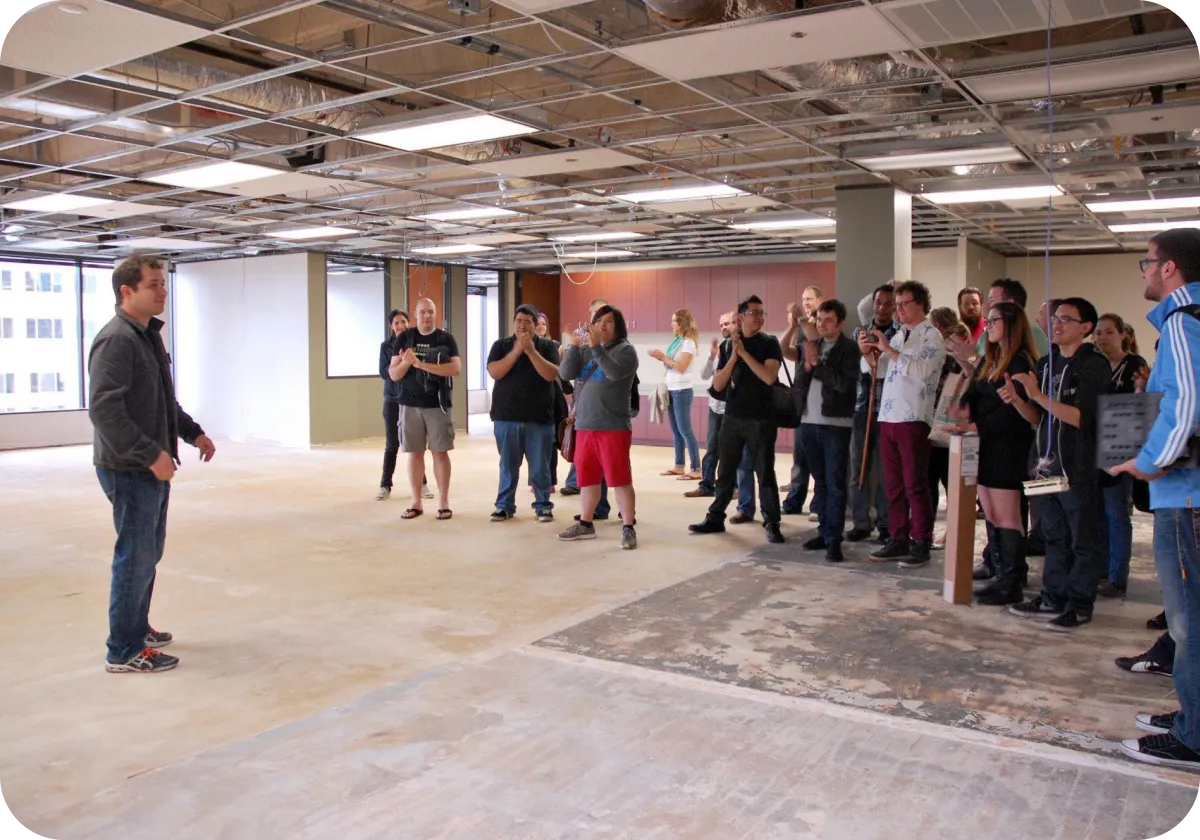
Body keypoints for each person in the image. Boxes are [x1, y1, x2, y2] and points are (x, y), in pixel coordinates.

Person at [89, 255, 216, 673]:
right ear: (127, 291)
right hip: (128, 467)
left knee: (148, 552)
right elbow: (106, 411)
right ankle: (123, 650)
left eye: (163, 283)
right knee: (134, 554)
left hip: (149, 465)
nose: (163, 291)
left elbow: (163, 400)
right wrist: (150, 455)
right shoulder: (117, 340)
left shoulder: (147, 337)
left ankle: (136, 627)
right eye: (154, 285)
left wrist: (192, 432)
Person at [1111, 228, 1200, 771]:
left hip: (1185, 496)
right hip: (1185, 494)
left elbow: (1187, 404)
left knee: (1188, 623)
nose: (1144, 272)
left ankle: (1194, 738)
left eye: (1146, 263)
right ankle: (1193, 715)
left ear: (1169, 269)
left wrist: (1150, 462)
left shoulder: (1183, 322)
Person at [1002, 298, 1109, 630]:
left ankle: (1079, 604)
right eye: (1055, 317)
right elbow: (1039, 418)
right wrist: (1020, 400)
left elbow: (1081, 418)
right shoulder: (1047, 364)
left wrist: (1035, 395)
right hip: (1045, 466)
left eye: (1066, 318)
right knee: (1052, 536)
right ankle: (1053, 596)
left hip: (1075, 467)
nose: (1056, 323)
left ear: (1086, 328)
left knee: (1082, 539)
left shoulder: (1093, 365)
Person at [953, 301, 1039, 605]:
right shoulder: (992, 359)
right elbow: (973, 393)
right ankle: (1001, 574)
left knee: (1008, 517)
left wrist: (974, 423)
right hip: (985, 445)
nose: (987, 326)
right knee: (990, 513)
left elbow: (1020, 414)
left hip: (1008, 447)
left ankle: (1011, 582)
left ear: (1011, 324)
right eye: (987, 321)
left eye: (993, 321)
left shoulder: (1019, 362)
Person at [689, 295, 786, 544]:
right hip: (732, 417)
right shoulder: (728, 346)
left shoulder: (769, 343)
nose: (759, 317)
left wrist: (745, 355)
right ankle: (715, 517)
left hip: (761, 419)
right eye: (754, 313)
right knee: (726, 471)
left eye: (762, 313)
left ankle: (772, 522)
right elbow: (719, 383)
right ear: (741, 317)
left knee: (764, 472)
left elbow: (768, 377)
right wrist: (734, 356)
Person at [862, 280, 945, 568]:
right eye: (896, 304)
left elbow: (922, 370)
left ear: (920, 303)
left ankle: (921, 540)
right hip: (888, 415)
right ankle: (898, 536)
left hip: (914, 417)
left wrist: (889, 350)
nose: (899, 309)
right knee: (893, 483)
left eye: (903, 304)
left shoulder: (931, 336)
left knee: (915, 483)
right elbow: (881, 370)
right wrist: (870, 353)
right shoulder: (898, 336)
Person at [557, 305, 639, 550]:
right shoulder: (584, 350)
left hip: (613, 427)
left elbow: (613, 373)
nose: (602, 325)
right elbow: (565, 373)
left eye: (609, 321)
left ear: (619, 326)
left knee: (620, 479)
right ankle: (586, 523)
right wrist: (573, 346)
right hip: (584, 425)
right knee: (587, 479)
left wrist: (596, 347)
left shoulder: (626, 351)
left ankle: (628, 527)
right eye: (598, 320)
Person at [794, 299, 859, 562]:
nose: (822, 325)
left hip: (835, 424)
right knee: (819, 481)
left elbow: (844, 385)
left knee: (835, 483)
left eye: (828, 320)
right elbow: (801, 379)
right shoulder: (814, 344)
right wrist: (807, 366)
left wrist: (817, 366)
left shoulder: (849, 348)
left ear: (841, 322)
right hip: (809, 422)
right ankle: (823, 532)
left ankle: (834, 540)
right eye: (818, 320)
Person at [487, 305, 562, 523]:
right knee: (508, 465)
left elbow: (551, 374)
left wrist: (530, 350)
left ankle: (543, 505)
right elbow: (495, 371)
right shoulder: (500, 346)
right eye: (519, 321)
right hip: (506, 417)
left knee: (540, 467)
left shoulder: (547, 346)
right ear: (513, 322)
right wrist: (517, 350)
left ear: (535, 324)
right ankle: (504, 506)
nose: (523, 325)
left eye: (528, 321)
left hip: (539, 418)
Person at [388, 297, 461, 521]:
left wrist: (421, 364)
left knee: (440, 453)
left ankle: (443, 502)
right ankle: (416, 502)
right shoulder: (404, 337)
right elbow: (393, 373)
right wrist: (408, 362)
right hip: (409, 404)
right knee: (415, 454)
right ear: (416, 314)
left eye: (431, 312)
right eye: (423, 312)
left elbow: (455, 369)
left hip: (437, 405)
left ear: (435, 313)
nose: (427, 316)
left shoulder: (445, 338)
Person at [1092, 313, 1149, 597]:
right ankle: (1102, 568)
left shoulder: (1135, 365)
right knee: (1098, 512)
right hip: (1094, 445)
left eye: (1109, 332)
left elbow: (1141, 406)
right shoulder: (1094, 364)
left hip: (1121, 446)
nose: (1103, 338)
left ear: (1122, 334)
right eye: (1099, 333)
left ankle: (1118, 576)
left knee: (1116, 512)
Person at [685, 312, 758, 517]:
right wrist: (711, 356)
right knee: (711, 448)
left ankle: (736, 492)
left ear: (738, 324)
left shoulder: (741, 348)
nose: (725, 327)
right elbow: (706, 376)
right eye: (722, 324)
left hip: (733, 410)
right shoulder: (721, 350)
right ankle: (707, 484)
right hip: (715, 407)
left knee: (734, 455)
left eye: (729, 323)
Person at [847, 284, 897, 543]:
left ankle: (886, 524)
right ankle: (861, 522)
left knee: (887, 471)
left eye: (889, 303)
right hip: (862, 409)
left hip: (888, 412)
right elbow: (858, 366)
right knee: (860, 468)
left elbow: (892, 368)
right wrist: (866, 356)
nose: (882, 308)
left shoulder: (900, 334)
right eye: (879, 302)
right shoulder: (861, 332)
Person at [560, 298, 613, 521]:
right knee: (588, 464)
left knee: (612, 466)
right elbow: (566, 373)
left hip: (608, 414)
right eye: (594, 314)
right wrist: (572, 346)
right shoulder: (581, 344)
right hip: (583, 412)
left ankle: (620, 509)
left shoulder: (616, 345)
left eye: (602, 315)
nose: (597, 319)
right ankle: (593, 510)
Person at [376, 310, 432, 502]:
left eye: (403, 322)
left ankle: (422, 485)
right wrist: (401, 360)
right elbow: (384, 373)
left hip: (412, 399)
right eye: (396, 323)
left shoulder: (417, 342)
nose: (400, 326)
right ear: (391, 326)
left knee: (417, 446)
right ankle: (385, 485)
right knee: (392, 444)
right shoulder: (386, 347)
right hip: (392, 400)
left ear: (409, 323)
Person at [927, 322, 971, 548]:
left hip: (956, 436)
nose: (953, 345)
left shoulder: (971, 365)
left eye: (958, 340)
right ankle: (927, 530)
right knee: (929, 484)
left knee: (954, 489)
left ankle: (951, 533)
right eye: (949, 340)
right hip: (933, 433)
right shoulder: (936, 361)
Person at [781, 286, 823, 515]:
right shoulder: (800, 327)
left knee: (818, 457)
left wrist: (801, 320)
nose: (806, 302)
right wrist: (793, 325)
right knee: (800, 456)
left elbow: (816, 341)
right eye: (803, 298)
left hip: (822, 402)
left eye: (810, 299)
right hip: (801, 400)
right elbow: (786, 350)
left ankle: (818, 503)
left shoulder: (819, 326)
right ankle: (794, 500)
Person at [648, 309, 701, 480]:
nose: (671, 324)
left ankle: (696, 468)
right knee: (676, 430)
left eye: (674, 321)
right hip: (671, 389)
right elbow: (671, 364)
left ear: (682, 323)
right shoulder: (677, 342)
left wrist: (662, 357)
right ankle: (679, 465)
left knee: (685, 430)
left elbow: (681, 366)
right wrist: (661, 358)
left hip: (682, 390)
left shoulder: (688, 343)